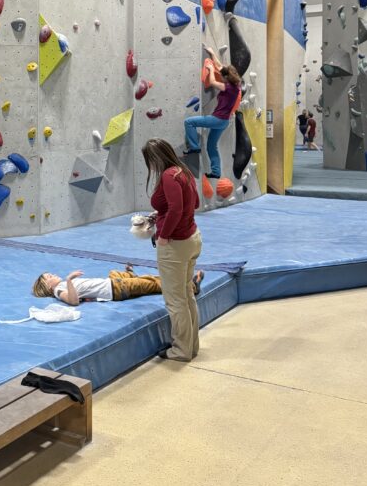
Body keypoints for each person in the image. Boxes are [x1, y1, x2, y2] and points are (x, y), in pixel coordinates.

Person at [142, 138, 202, 362]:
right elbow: (193, 203)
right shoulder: (183, 171)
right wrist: (162, 216)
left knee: (175, 300)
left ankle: (180, 350)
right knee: (187, 295)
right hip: (192, 238)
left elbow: (177, 208)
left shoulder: (168, 176)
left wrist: (164, 234)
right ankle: (191, 346)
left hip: (176, 245)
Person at [183, 46, 241, 179]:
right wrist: (212, 53)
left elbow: (212, 82)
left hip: (217, 119)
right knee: (211, 146)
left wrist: (210, 70)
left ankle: (194, 147)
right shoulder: (235, 86)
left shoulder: (227, 87)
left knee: (189, 122)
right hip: (224, 122)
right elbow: (220, 66)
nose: (222, 77)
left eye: (223, 76)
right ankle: (216, 172)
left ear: (227, 78)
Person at [32, 265, 204, 305]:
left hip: (113, 284)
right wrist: (69, 280)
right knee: (152, 282)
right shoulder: (59, 289)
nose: (53, 274)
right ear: (48, 287)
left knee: (115, 272)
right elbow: (73, 301)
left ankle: (131, 276)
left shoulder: (60, 285)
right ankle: (191, 287)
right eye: (49, 277)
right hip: (116, 289)